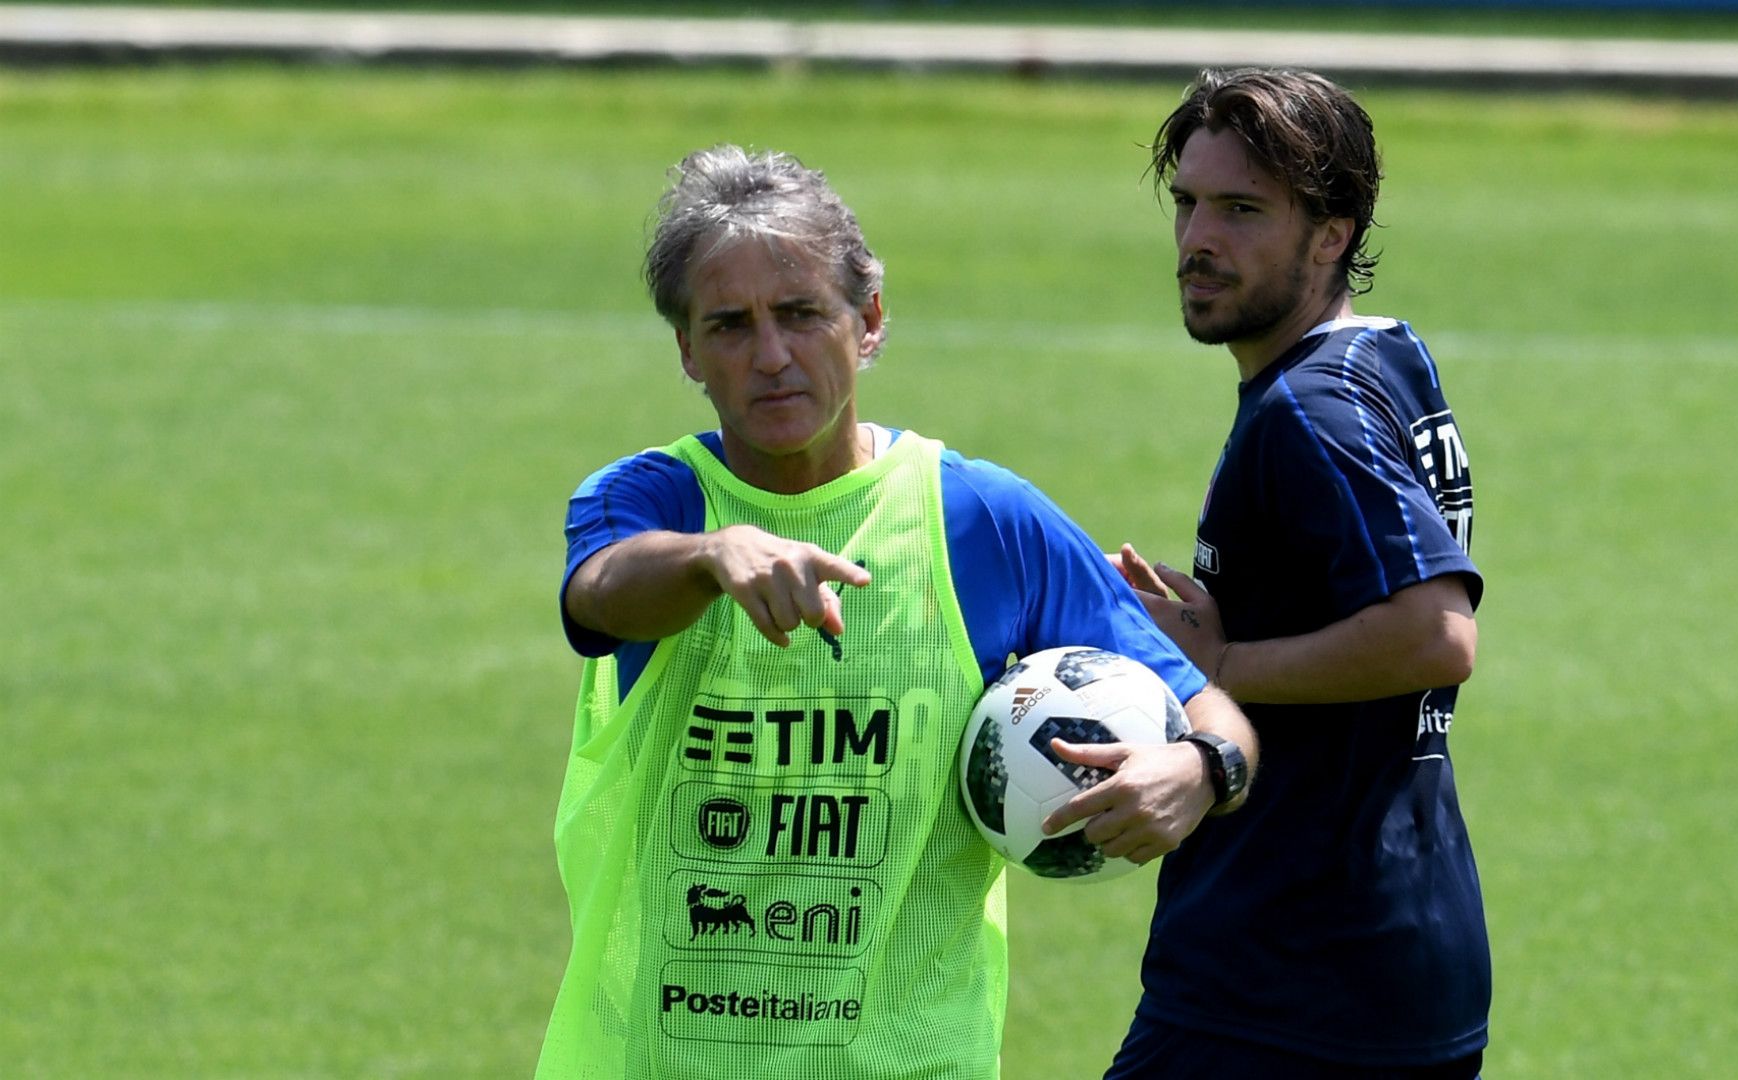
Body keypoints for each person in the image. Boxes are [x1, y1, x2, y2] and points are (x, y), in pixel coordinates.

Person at [537, 144, 1257, 1080]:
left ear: (868, 321)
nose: (770, 356)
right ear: (686, 350)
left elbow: (1212, 710)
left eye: (800, 314)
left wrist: (1199, 770)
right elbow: (600, 596)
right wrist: (715, 555)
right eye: (728, 325)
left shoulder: (982, 520)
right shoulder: (651, 501)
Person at [1101, 68, 1492, 1078]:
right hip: (1380, 947)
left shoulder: (1307, 414)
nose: (1198, 240)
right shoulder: (1380, 357)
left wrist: (1221, 664)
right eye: (1187, 203)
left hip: (1291, 975)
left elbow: (1436, 636)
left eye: (1242, 211)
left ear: (1332, 234)